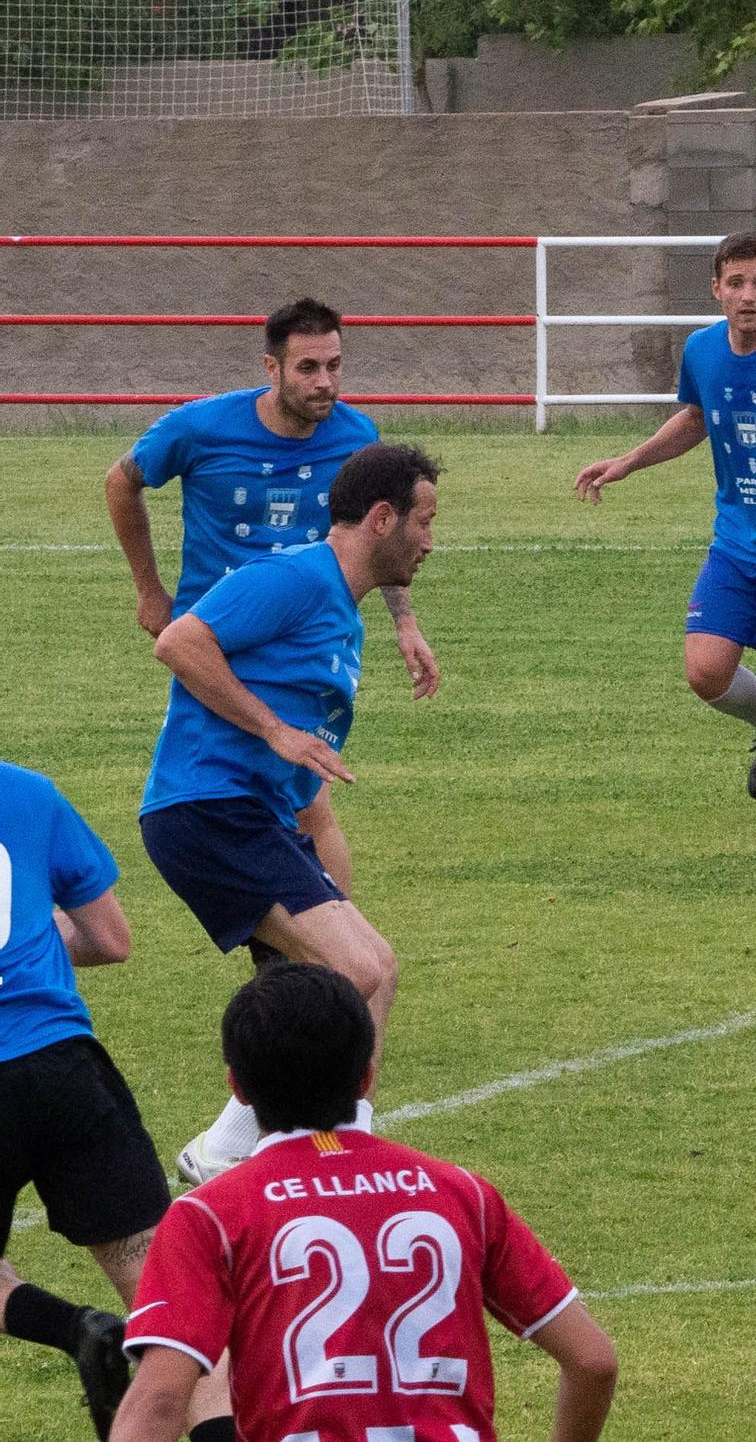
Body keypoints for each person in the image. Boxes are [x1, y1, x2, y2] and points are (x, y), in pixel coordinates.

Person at [113, 962, 618, 1442]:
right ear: (366, 1077)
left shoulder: (209, 1215)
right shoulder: (464, 1194)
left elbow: (159, 1402)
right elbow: (593, 1360)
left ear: (237, 1090)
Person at [140, 442, 440, 1187]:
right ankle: (309, 1159)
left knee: (378, 968)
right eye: (425, 521)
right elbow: (180, 642)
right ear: (381, 519)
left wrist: (334, 897)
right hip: (207, 807)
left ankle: (254, 1148)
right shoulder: (295, 578)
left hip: (256, 818)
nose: (431, 541)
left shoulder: (342, 619)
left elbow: (313, 795)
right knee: (355, 968)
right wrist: (271, 726)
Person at [105, 298, 440, 902]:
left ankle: (317, 953)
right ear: (272, 368)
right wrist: (149, 589)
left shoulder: (356, 436)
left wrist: (405, 621)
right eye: (308, 368)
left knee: (310, 797)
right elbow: (121, 482)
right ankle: (319, 956)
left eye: (335, 365)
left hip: (305, 640)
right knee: (260, 788)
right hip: (222, 638)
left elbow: (379, 530)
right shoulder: (199, 427)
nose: (326, 383)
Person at [574, 231, 756, 832]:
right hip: (736, 542)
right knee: (705, 673)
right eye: (736, 283)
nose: (748, 295)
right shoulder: (703, 351)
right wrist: (630, 460)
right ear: (716, 290)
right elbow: (698, 418)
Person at [0, 762, 229, 1440]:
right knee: (163, 1292)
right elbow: (109, 939)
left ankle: (75, 1328)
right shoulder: (29, 792)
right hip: (64, 1069)